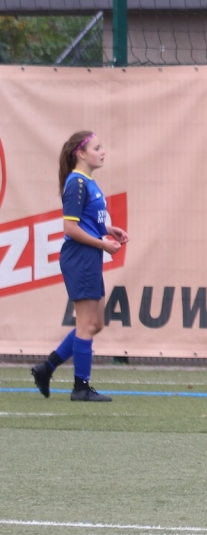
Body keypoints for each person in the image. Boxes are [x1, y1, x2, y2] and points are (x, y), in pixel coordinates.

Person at [30, 131, 127, 402]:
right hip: (81, 256)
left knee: (96, 324)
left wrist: (109, 229)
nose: (102, 152)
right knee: (87, 324)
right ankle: (80, 388)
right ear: (81, 154)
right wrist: (103, 244)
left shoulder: (88, 182)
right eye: (97, 148)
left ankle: (46, 368)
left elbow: (87, 221)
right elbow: (70, 228)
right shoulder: (77, 182)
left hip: (89, 255)